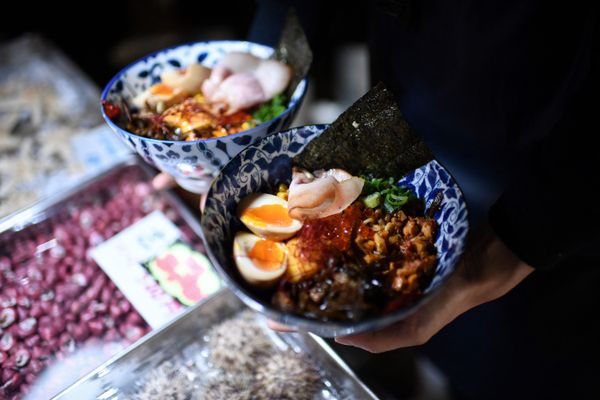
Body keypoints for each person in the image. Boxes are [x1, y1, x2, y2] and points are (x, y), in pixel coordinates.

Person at [157, 1, 599, 398]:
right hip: (398, 110)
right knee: (425, 335)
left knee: (513, 359)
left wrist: (515, 244)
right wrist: (274, 54)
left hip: (554, 182)